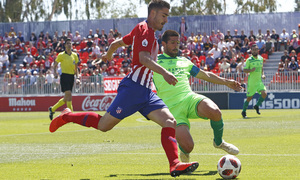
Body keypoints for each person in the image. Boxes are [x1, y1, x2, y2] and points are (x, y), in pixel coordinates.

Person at [49, 1, 198, 177]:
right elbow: (143, 58)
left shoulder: (143, 30)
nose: (166, 20)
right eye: (164, 15)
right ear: (153, 14)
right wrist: (165, 73)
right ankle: (67, 116)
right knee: (104, 126)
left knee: (170, 122)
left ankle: (174, 164)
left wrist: (108, 55)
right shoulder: (145, 31)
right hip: (133, 89)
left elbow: (118, 43)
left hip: (146, 92)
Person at [153, 30, 240, 163]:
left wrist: (226, 82)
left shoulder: (184, 61)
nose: (176, 45)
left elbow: (205, 75)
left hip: (189, 99)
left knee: (215, 111)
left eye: (177, 42)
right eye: (172, 43)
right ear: (163, 44)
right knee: (189, 146)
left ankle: (219, 142)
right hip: (171, 109)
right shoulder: (154, 62)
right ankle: (184, 152)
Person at [48, 38, 79, 120]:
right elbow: (55, 65)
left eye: (70, 43)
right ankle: (72, 116)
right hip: (64, 76)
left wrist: (78, 77)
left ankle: (52, 109)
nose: (69, 45)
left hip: (71, 76)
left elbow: (76, 67)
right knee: (69, 95)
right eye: (68, 43)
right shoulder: (61, 55)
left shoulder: (74, 55)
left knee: (66, 98)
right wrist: (55, 73)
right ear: (65, 45)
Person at [241, 44, 267, 118]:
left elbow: (261, 68)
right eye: (253, 50)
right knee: (249, 98)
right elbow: (244, 70)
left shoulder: (261, 58)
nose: (255, 51)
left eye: (256, 49)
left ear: (258, 50)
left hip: (259, 81)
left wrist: (263, 75)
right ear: (251, 51)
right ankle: (243, 112)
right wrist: (251, 70)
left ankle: (257, 106)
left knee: (264, 93)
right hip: (252, 82)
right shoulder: (249, 60)